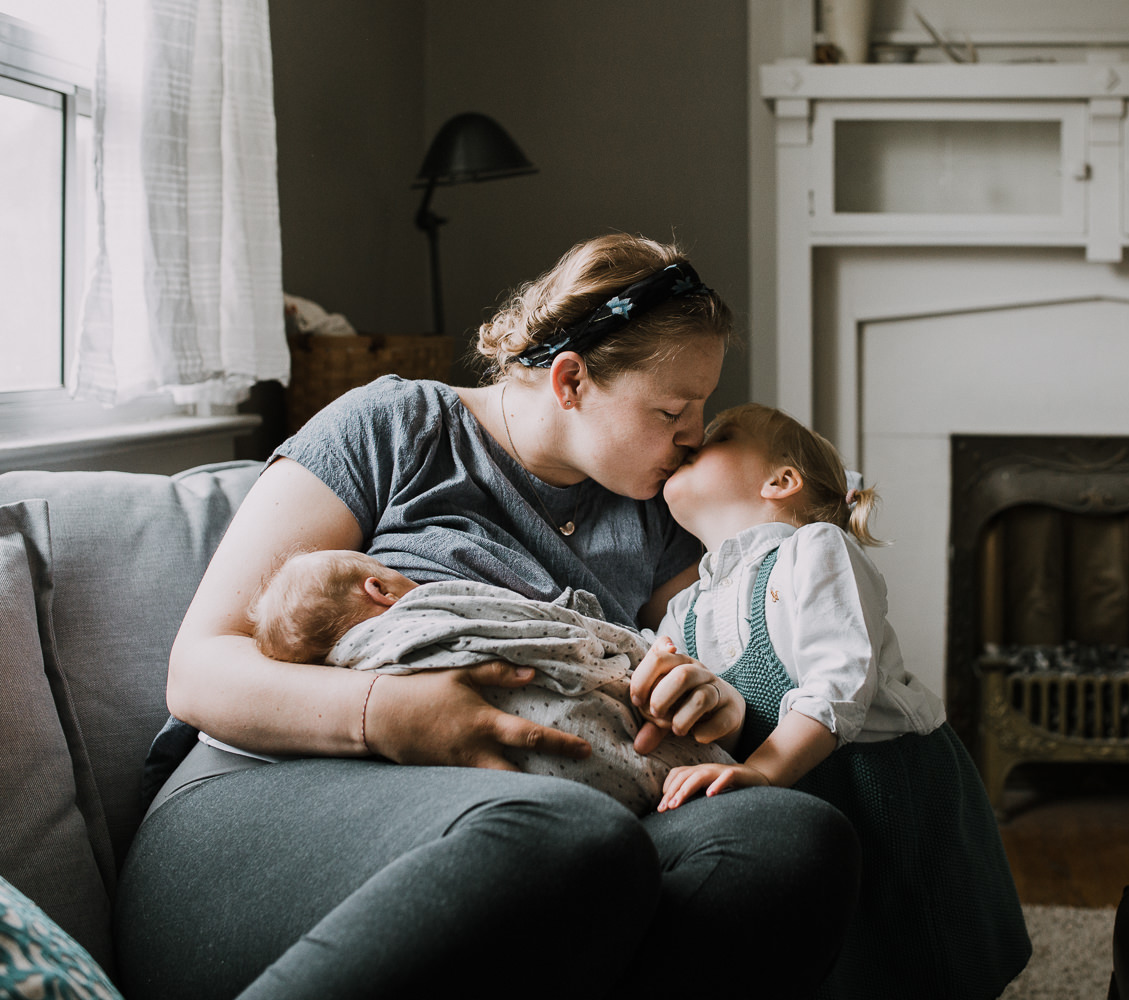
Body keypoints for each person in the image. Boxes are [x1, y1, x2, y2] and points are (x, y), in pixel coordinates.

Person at [115, 235, 860, 1000]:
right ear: (570, 380)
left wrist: (718, 705)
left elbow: (717, 677)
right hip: (272, 796)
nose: (695, 436)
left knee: (791, 838)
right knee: (569, 836)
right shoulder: (396, 426)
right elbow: (199, 668)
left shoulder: (662, 513)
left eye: (701, 407)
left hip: (537, 815)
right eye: (672, 408)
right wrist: (388, 713)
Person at [630, 402, 1032, 1000]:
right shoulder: (686, 608)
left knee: (924, 948)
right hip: (795, 795)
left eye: (718, 436)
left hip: (883, 784)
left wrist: (762, 770)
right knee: (841, 957)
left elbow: (843, 676)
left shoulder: (812, 549)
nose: (694, 439)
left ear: (781, 481)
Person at [244, 547, 734, 814]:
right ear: (378, 588)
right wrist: (614, 659)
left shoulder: (348, 671)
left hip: (535, 787)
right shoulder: (425, 605)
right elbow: (530, 628)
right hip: (589, 733)